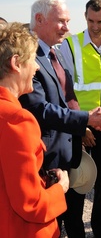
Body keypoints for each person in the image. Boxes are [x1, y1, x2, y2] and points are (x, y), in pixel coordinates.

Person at [19, 0, 101, 238]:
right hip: (44, 156)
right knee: (49, 223)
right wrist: (85, 119)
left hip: (67, 152)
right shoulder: (28, 58)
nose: (67, 27)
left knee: (72, 215)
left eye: (68, 21)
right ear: (39, 19)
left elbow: (68, 96)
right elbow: (39, 109)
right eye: (61, 21)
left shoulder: (58, 52)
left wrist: (79, 127)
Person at [60, 0, 101, 238]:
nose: (94, 26)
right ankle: (76, 232)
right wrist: (81, 126)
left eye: (100, 21)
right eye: (90, 20)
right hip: (81, 125)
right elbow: (65, 90)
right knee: (77, 182)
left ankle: (100, 228)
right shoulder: (70, 45)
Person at [0, 22, 69, 238]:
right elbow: (31, 204)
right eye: (32, 60)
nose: (37, 67)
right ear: (16, 63)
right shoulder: (17, 120)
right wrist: (60, 188)